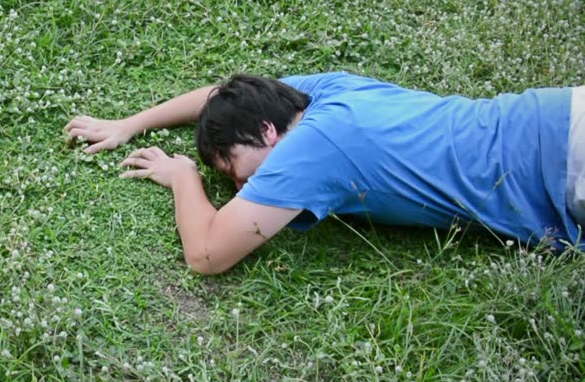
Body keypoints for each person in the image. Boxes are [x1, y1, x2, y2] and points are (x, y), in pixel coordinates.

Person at [65, 72, 584, 274]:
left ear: (268, 133)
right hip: (555, 114)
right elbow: (219, 96)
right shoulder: (326, 93)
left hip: (564, 166)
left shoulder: (310, 153)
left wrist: (184, 178)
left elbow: (206, 254)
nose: (244, 189)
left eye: (237, 171)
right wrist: (131, 123)